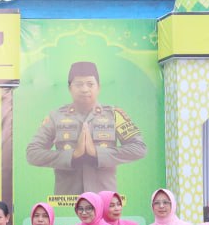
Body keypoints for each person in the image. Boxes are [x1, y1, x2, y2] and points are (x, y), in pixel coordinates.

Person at [25, 60, 147, 195]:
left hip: (104, 199)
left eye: (90, 84)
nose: (84, 89)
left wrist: (97, 153)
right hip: (67, 200)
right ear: (69, 88)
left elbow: (139, 148)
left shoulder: (114, 115)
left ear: (98, 87)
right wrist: (72, 155)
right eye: (78, 84)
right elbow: (32, 153)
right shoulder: (55, 117)